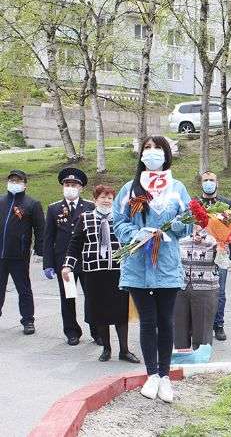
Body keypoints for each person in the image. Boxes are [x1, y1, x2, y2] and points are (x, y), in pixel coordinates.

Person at [113, 136, 192, 403]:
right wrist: (135, 234)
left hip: (167, 265)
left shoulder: (177, 188)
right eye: (147, 148)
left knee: (165, 321)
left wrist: (175, 227)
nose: (152, 152)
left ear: (166, 154)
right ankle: (152, 374)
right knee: (147, 321)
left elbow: (189, 222)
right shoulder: (130, 188)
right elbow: (119, 221)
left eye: (157, 148)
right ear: (141, 154)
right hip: (137, 265)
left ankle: (165, 375)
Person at [62, 184, 140, 364]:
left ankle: (124, 350)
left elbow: (131, 241)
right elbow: (75, 244)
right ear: (95, 199)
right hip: (94, 272)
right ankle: (106, 348)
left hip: (118, 270)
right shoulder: (85, 218)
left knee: (121, 312)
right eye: (102, 197)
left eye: (109, 197)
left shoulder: (121, 219)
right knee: (99, 312)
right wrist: (68, 265)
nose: (106, 200)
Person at [43, 168, 97, 346]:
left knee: (92, 297)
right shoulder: (54, 209)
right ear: (62, 186)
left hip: (87, 260)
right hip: (65, 263)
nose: (70, 187)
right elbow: (48, 238)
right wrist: (48, 263)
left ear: (81, 188)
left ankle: (97, 331)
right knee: (69, 297)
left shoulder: (90, 206)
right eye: (67, 184)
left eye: (74, 185)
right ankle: (72, 331)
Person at [0, 169, 44, 335]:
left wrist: (40, 252)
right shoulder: (1, 201)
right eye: (11, 180)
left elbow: (40, 229)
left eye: (18, 181)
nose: (14, 183)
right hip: (0, 255)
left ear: (24, 185)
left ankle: (28, 320)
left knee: (23, 289)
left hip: (19, 254)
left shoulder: (31, 204)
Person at [198, 171, 231, 342]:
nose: (209, 183)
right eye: (206, 180)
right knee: (200, 290)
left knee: (220, 291)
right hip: (199, 253)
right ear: (201, 183)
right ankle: (201, 325)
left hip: (221, 252)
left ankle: (218, 325)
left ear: (217, 182)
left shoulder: (227, 203)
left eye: (211, 180)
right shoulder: (195, 203)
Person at [174, 226, 219, 349]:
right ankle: (182, 363)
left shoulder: (217, 231)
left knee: (203, 334)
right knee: (179, 334)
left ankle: (200, 364)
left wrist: (212, 242)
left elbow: (224, 262)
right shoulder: (178, 229)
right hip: (179, 286)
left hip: (206, 287)